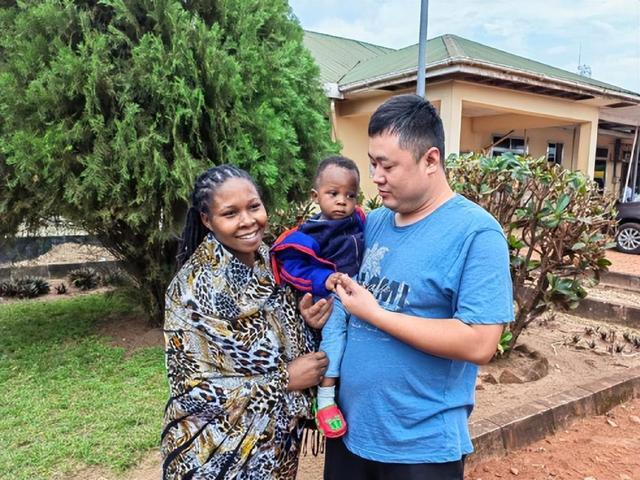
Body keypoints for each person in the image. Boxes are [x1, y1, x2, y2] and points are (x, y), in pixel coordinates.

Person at [324, 94, 514, 480]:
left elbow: (480, 343)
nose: (375, 176)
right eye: (372, 163)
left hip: (419, 450)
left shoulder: (476, 233)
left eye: (388, 165)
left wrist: (376, 314)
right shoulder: (374, 222)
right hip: (350, 434)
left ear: (430, 160)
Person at [161, 165, 332, 480]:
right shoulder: (190, 291)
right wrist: (284, 379)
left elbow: (285, 339)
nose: (248, 220)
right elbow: (193, 391)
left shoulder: (274, 262)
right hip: (217, 455)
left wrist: (308, 322)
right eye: (230, 213)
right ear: (207, 220)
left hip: (278, 444)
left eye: (254, 206)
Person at [271, 156, 365, 438]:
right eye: (333, 193)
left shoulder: (359, 220)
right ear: (315, 196)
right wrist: (322, 280)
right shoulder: (309, 234)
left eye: (350, 195)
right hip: (332, 298)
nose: (342, 202)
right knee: (334, 338)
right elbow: (293, 268)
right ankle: (325, 400)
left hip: (362, 293)